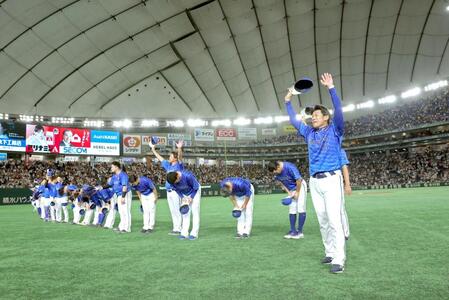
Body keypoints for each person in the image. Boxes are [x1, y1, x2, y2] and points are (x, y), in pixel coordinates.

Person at [285, 73, 347, 274]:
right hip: (315, 181)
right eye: (312, 115)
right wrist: (288, 101)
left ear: (326, 118)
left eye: (317, 115)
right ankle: (330, 252)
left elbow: (339, 110)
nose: (313, 117)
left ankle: (339, 258)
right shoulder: (309, 132)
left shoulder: (335, 129)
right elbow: (295, 122)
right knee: (322, 219)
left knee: (334, 219)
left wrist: (331, 88)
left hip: (331, 179)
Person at [148, 140, 184, 235]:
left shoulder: (178, 165)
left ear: (175, 158)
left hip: (176, 191)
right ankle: (175, 228)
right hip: (169, 192)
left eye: (171, 156)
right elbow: (160, 158)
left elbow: (180, 157)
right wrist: (153, 150)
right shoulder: (168, 166)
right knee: (172, 211)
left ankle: (179, 228)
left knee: (177, 210)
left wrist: (179, 148)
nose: (169, 157)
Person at [268, 161, 307, 239]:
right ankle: (293, 230)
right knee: (292, 209)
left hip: (300, 186)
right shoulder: (277, 173)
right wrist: (289, 193)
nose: (275, 173)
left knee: (301, 207)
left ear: (278, 166)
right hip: (291, 189)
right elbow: (282, 183)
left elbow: (298, 179)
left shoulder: (289, 167)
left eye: (275, 171)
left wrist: (298, 193)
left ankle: (300, 232)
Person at [166, 170, 201, 240]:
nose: (175, 183)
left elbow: (196, 188)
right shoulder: (171, 180)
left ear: (178, 176)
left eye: (176, 182)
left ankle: (194, 233)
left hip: (195, 192)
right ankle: (184, 233)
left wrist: (191, 197)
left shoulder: (188, 176)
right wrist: (182, 197)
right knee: (185, 213)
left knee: (195, 211)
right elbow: (176, 189)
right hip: (184, 194)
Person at [110, 162, 132, 233]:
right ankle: (121, 226)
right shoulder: (114, 176)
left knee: (126, 211)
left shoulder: (123, 175)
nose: (111, 168)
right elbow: (109, 185)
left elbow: (124, 186)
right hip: (119, 195)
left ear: (116, 167)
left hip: (125, 194)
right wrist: (101, 187)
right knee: (121, 212)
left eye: (112, 167)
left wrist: (123, 197)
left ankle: (127, 228)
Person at [340, 149, 351, 240]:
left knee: (340, 209)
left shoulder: (339, 148)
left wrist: (347, 185)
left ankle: (345, 233)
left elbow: (344, 166)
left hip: (335, 179)